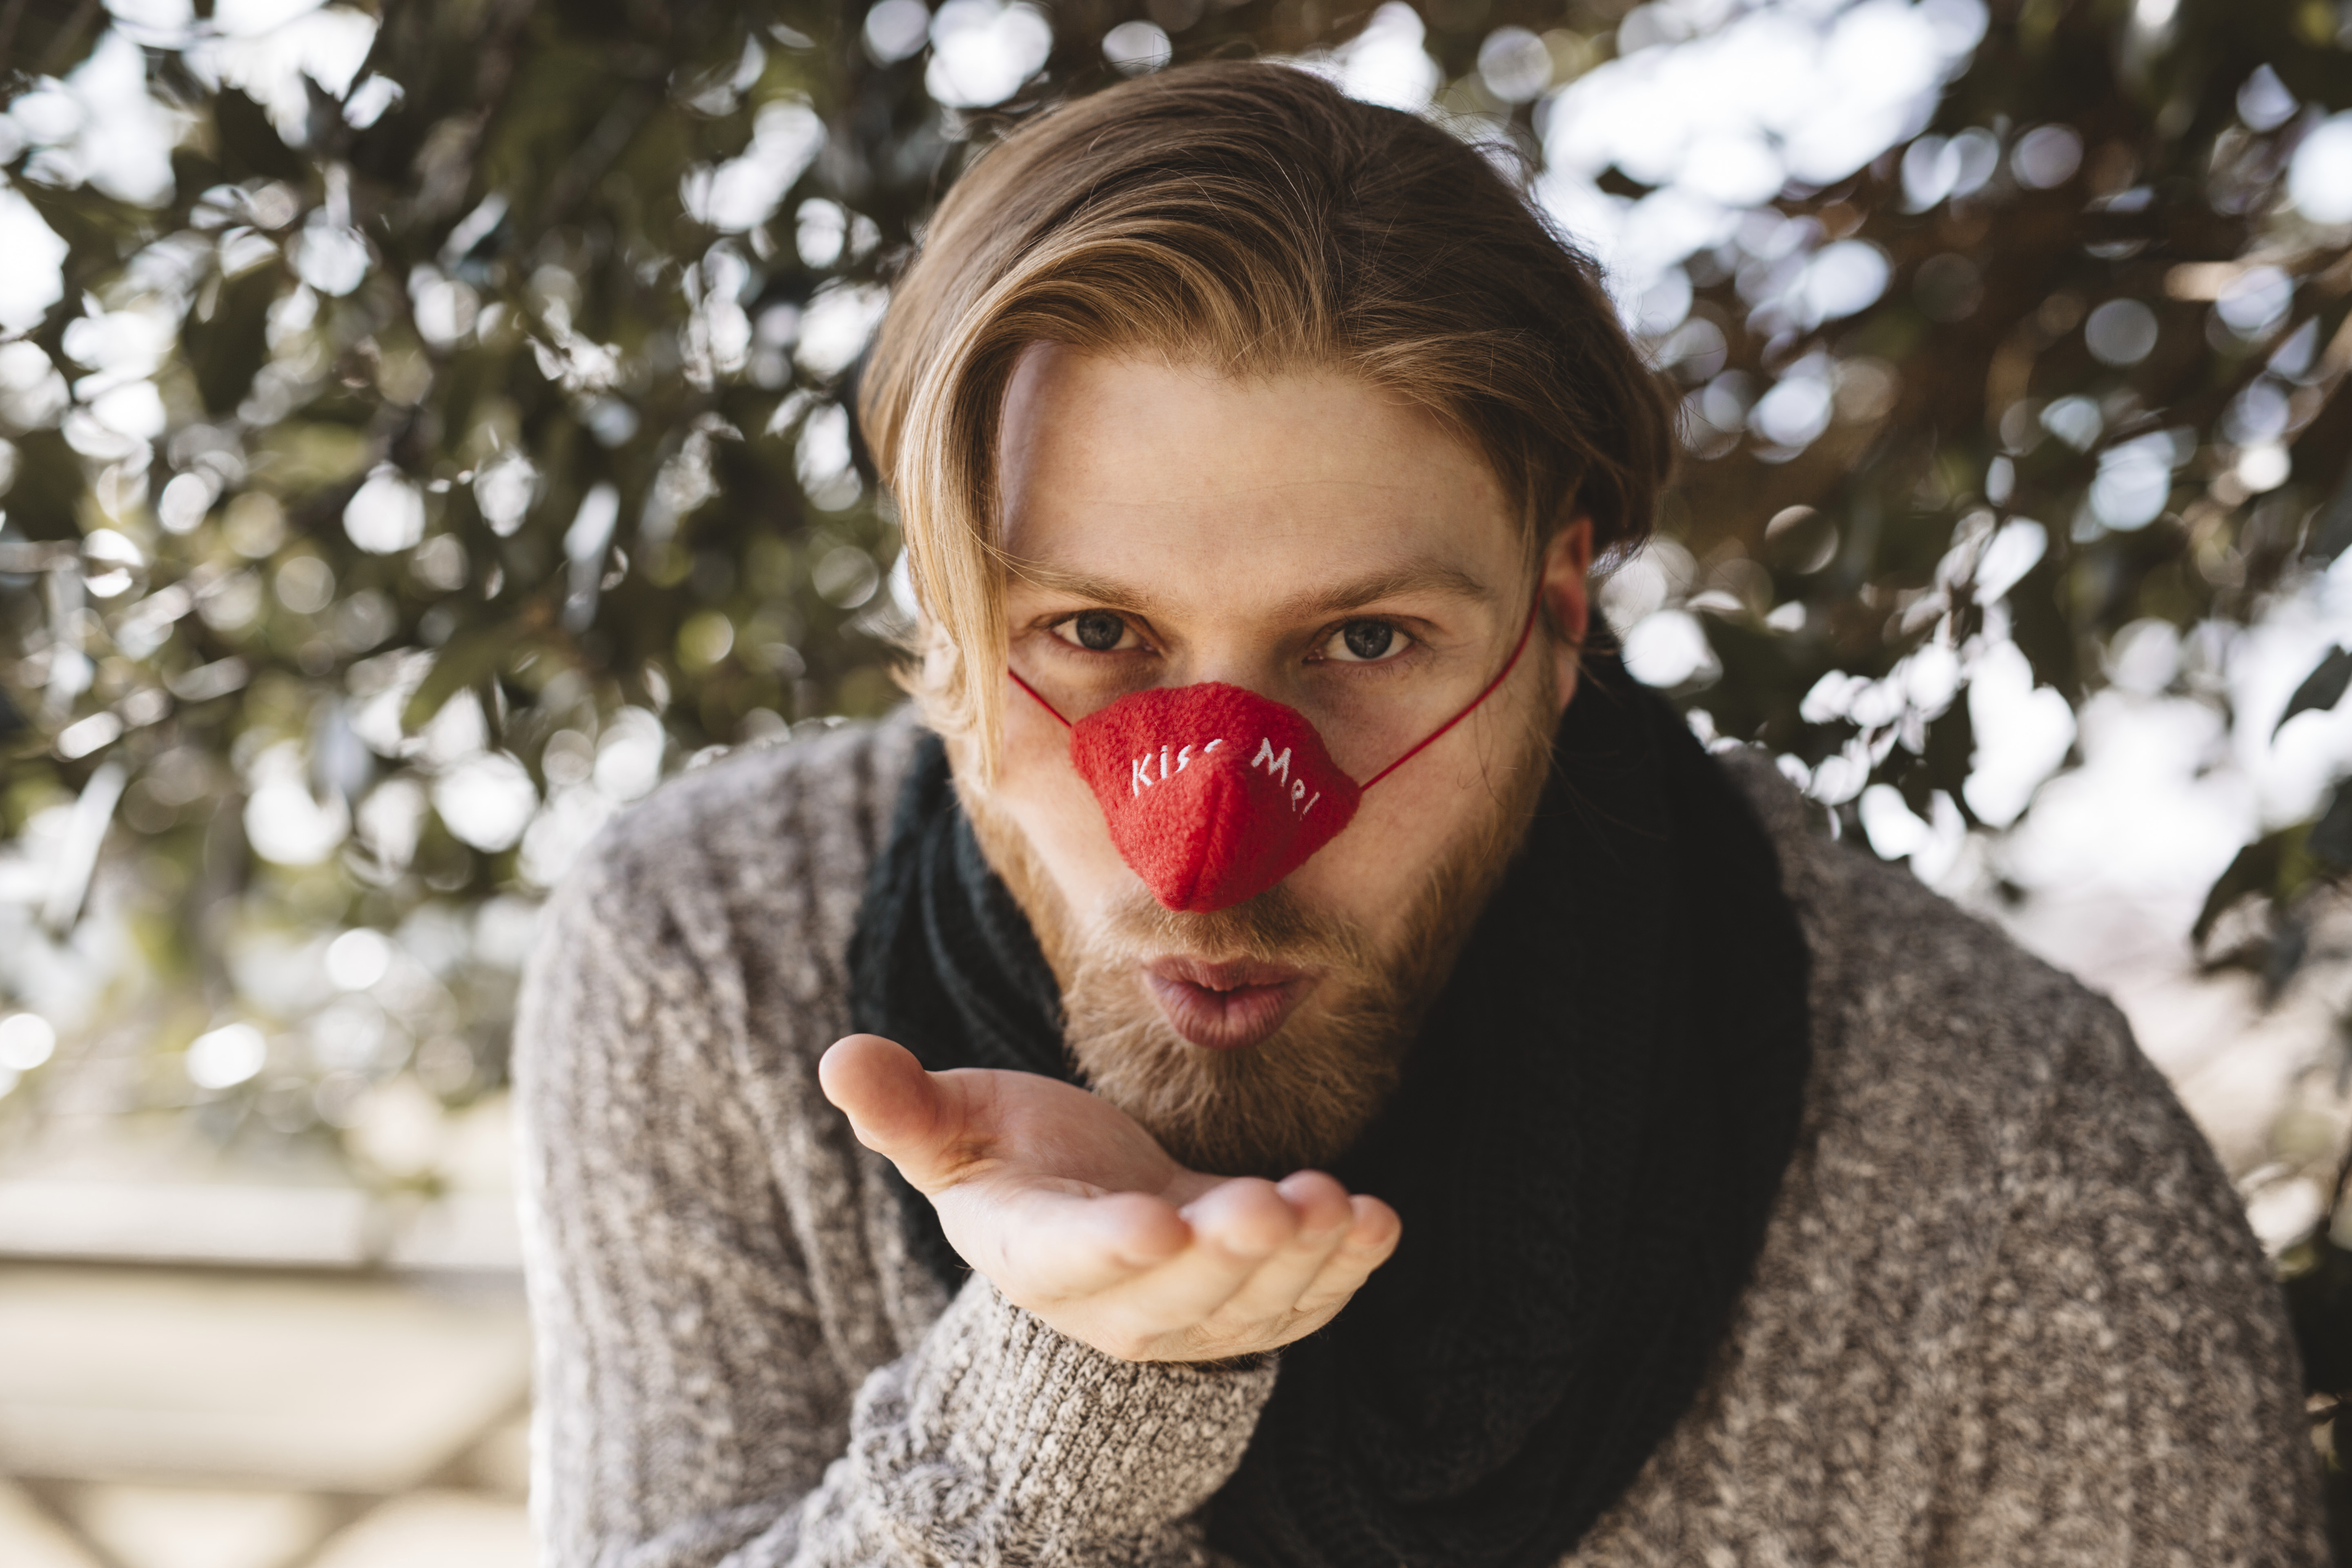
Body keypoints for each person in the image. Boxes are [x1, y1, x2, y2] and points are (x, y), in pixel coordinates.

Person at [513, 61, 2326, 1568]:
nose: (1213, 843)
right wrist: (1057, 1399)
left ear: (1555, 619)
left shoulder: (2008, 1164)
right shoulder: (705, 958)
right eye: (1090, 634)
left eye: (1367, 639)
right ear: (940, 628)